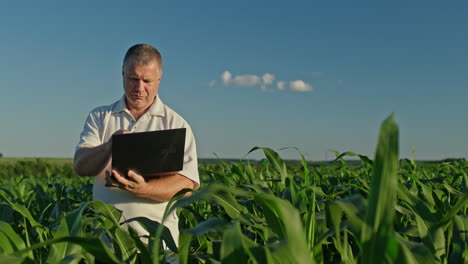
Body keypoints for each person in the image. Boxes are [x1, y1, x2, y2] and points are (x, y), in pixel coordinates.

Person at [74, 44, 200, 249]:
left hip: (159, 247)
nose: (139, 88)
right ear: (122, 74)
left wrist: (143, 189)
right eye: (133, 79)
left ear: (159, 79)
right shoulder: (100, 117)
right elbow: (81, 166)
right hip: (108, 248)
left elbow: (185, 186)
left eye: (147, 81)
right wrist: (109, 146)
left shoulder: (176, 124)